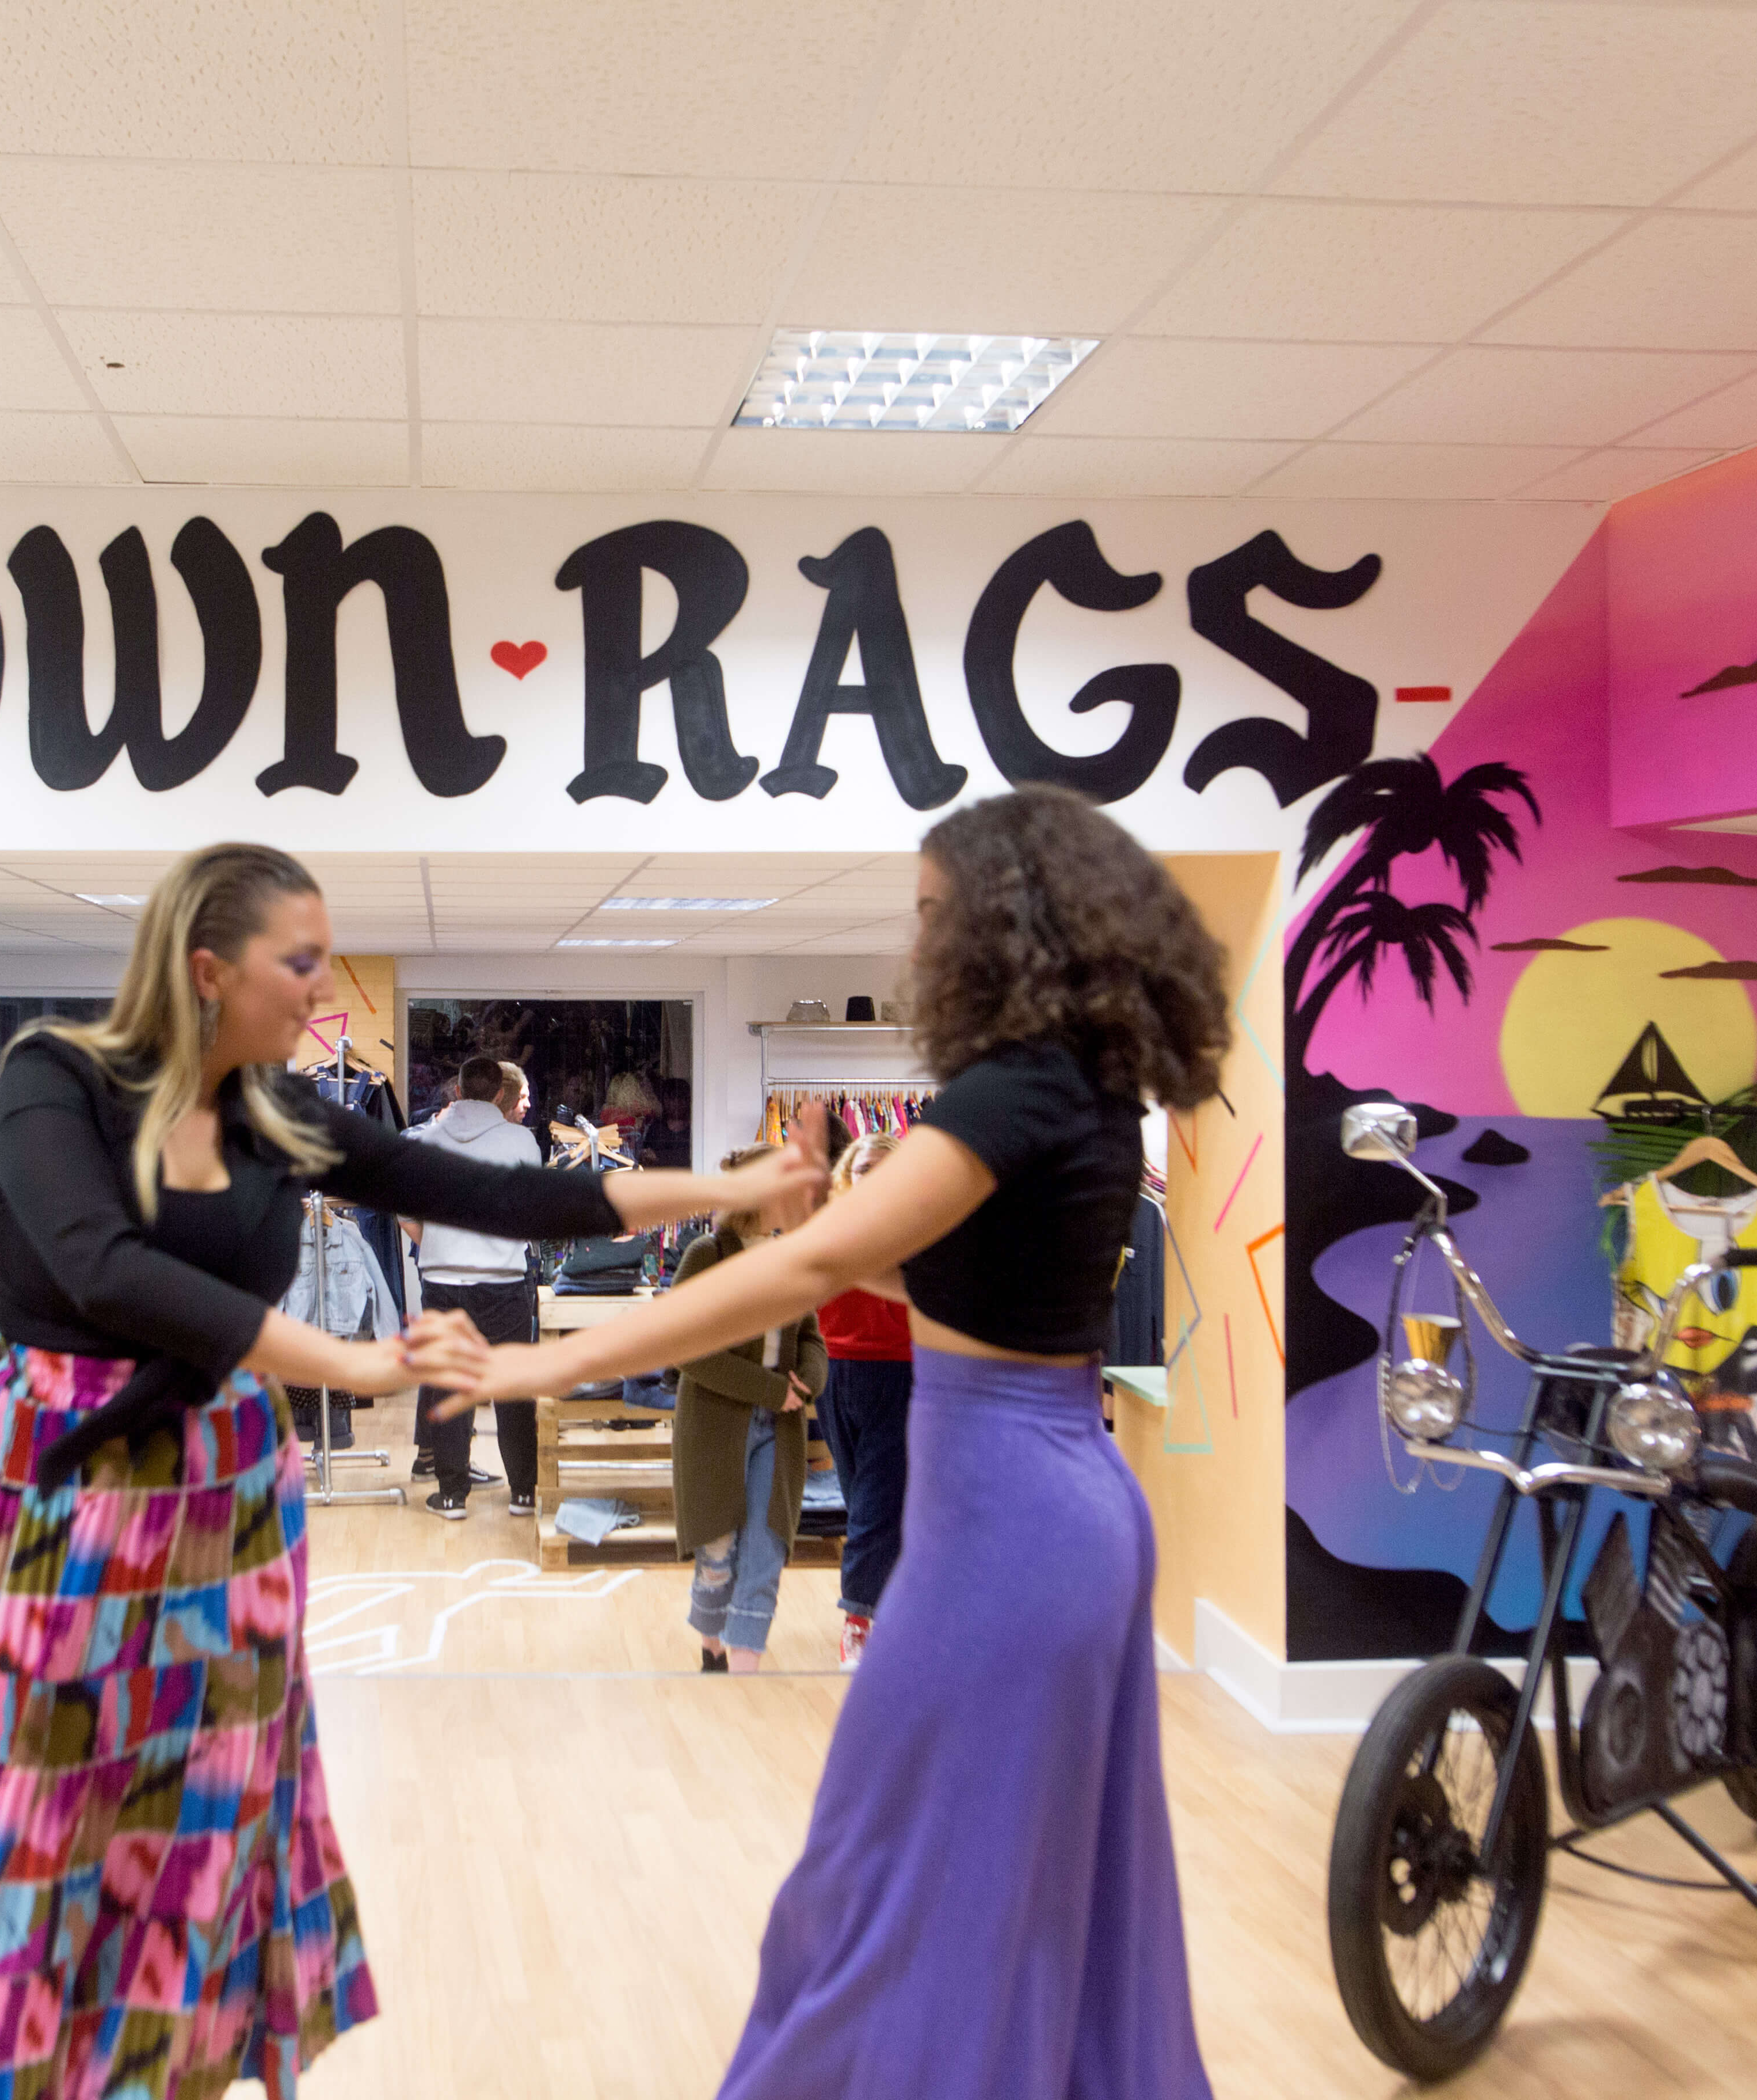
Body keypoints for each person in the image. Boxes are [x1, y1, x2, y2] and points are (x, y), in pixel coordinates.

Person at [0, 842, 820, 2100]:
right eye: (300, 961)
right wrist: (350, 1359)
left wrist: (729, 1184)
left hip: (225, 1485)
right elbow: (105, 1268)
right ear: (209, 969)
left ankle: (163, 2065)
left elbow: (498, 1193)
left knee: (205, 1793)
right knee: (17, 1794)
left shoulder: (280, 1111)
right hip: (66, 1481)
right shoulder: (58, 1075)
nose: (322, 989)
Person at [444, 786, 1230, 2099]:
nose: (915, 946)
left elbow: (804, 1273)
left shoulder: (1009, 1092)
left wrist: (552, 1359)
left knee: (895, 1886)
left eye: (930, 915)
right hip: (1034, 1504)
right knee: (963, 1881)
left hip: (1014, 1527)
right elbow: (956, 1291)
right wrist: (839, 1217)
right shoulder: (1080, 1087)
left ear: (1005, 924)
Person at [672, 1148, 829, 1672]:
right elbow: (684, 1348)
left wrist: (808, 1380)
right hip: (715, 1425)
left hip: (779, 1427)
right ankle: (713, 1650)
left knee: (767, 1547)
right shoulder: (707, 1255)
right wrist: (770, 1390)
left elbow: (811, 1336)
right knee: (717, 1552)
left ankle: (745, 1672)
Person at [407, 1053, 543, 1518]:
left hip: (443, 1280)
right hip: (503, 1280)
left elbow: (404, 1210)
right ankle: (524, 1492)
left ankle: (451, 1496)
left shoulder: (427, 1140)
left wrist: (437, 1245)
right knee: (512, 1387)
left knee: (449, 1384)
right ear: (501, 1094)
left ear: (458, 1091)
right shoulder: (521, 1140)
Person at [813, 1128, 912, 1669]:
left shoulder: (917, 1226)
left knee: (876, 1501)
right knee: (860, 1498)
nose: (870, 1177)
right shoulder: (829, 1225)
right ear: (847, 1175)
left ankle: (858, 1620)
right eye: (862, 1168)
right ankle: (891, 1608)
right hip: (836, 1371)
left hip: (898, 1371)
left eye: (882, 1169)